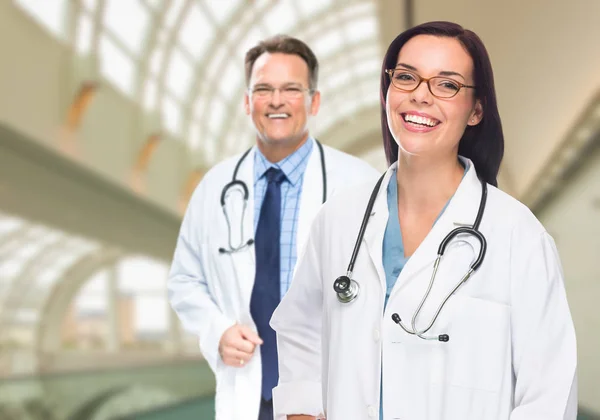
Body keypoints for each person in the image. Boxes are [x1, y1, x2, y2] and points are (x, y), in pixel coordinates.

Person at [270, 21, 577, 420]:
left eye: (446, 84)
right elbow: (300, 328)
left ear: (476, 110)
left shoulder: (519, 236)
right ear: (387, 91)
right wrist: (302, 412)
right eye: (406, 77)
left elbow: (550, 392)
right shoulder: (338, 219)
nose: (420, 95)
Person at [167, 34, 380, 420]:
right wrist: (216, 330)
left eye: (291, 89)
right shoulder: (214, 187)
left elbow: (388, 285)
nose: (276, 101)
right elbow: (184, 279)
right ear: (248, 102)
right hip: (247, 391)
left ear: (314, 101)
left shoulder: (360, 183)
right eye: (263, 89)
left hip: (331, 393)